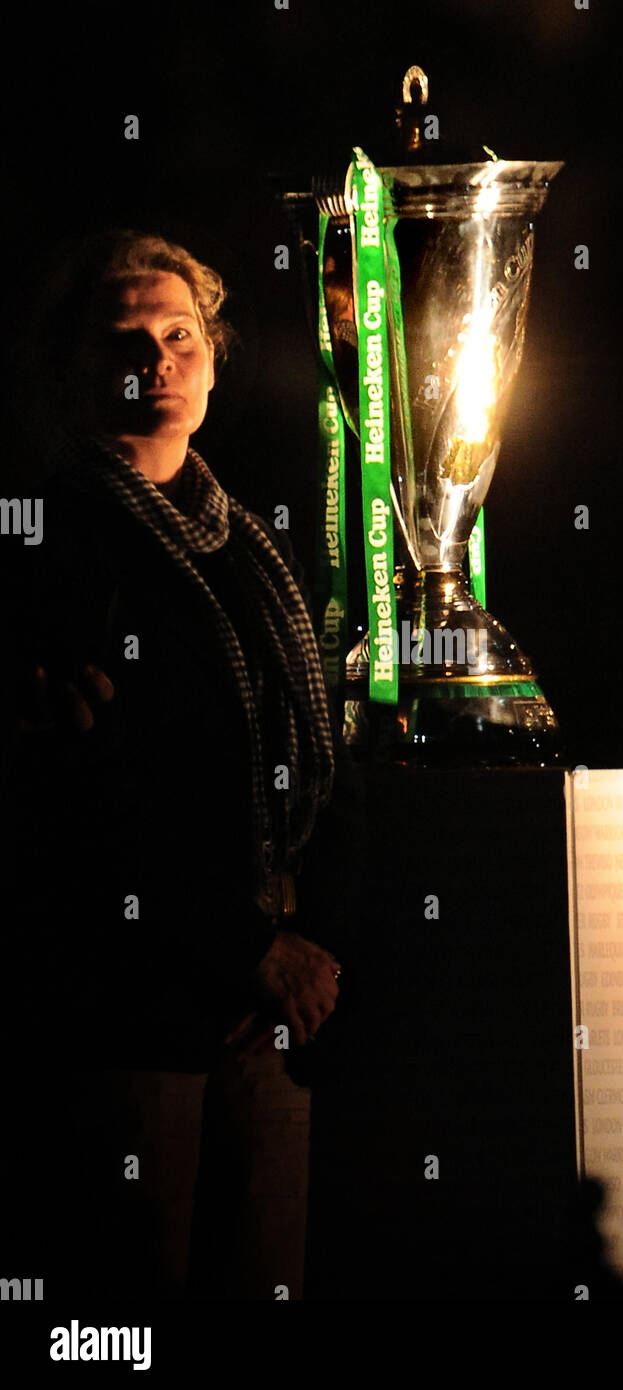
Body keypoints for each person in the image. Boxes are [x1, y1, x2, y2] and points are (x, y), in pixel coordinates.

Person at [0, 228, 363, 1300]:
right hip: (133, 1012)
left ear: (213, 356)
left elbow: (324, 756)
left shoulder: (250, 545)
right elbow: (92, 798)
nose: (158, 360)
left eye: (180, 335)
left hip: (270, 1013)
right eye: (127, 338)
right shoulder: (51, 546)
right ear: (73, 368)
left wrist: (311, 945)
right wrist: (247, 944)